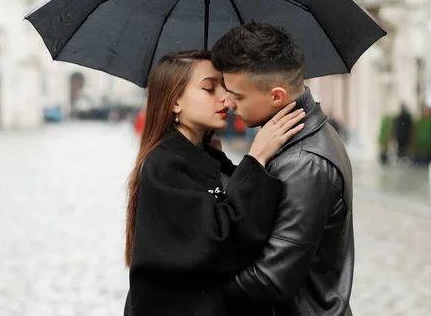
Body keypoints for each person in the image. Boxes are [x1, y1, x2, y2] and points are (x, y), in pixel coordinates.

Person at [124, 50, 305, 316]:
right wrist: (257, 158)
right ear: (174, 101)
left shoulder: (199, 154)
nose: (226, 98)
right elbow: (220, 242)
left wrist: (215, 161)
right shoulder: (163, 164)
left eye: (224, 86)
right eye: (209, 88)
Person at [211, 22, 354, 316]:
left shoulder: (305, 163)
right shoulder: (291, 142)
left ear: (276, 96)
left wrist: (195, 292)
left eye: (237, 96)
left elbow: (271, 279)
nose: (228, 102)